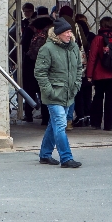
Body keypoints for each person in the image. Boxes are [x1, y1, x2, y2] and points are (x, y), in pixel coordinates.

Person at [34, 19, 82, 168]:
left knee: (53, 124)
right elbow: (40, 73)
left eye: (70, 31)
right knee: (60, 124)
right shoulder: (47, 49)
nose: (70, 34)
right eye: (66, 32)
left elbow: (79, 68)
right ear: (58, 34)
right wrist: (50, 91)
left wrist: (76, 85)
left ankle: (45, 154)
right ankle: (66, 158)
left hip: (69, 94)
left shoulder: (74, 47)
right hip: (54, 95)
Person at [84, 16, 112, 131]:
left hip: (99, 74)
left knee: (98, 97)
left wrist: (89, 75)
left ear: (101, 25)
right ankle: (110, 125)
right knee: (110, 99)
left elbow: (92, 58)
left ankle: (96, 122)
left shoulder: (97, 39)